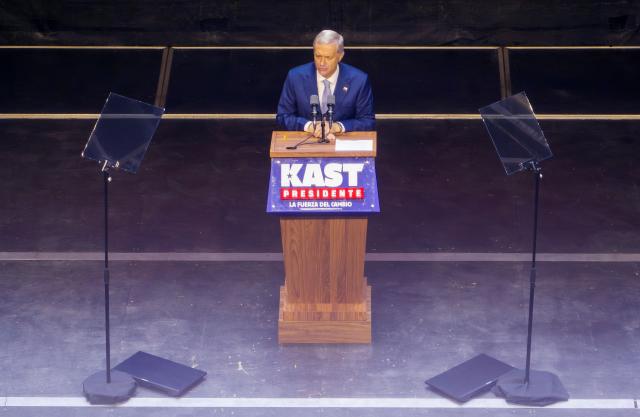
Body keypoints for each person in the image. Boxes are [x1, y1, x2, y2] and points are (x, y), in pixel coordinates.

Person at [276, 29, 375, 137]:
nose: (322, 63)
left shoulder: (359, 80)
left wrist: (337, 127)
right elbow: (282, 117)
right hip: (305, 146)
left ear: (340, 56)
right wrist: (309, 126)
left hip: (342, 148)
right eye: (318, 56)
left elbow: (367, 121)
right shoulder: (295, 76)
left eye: (328, 57)